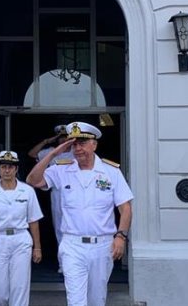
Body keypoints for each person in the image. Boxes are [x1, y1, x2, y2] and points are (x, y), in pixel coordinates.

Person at [26, 122, 133, 306]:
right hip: (72, 245)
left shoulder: (110, 171)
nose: (77, 148)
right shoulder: (62, 168)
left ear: (94, 144)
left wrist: (121, 237)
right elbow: (32, 180)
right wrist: (54, 153)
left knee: (96, 300)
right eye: (74, 144)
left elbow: (125, 208)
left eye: (82, 143)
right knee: (76, 301)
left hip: (102, 245)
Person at [0, 151, 43, 306]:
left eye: (10, 167)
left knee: (20, 287)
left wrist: (37, 247)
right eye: (3, 166)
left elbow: (33, 221)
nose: (7, 170)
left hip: (21, 239)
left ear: (16, 169)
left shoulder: (27, 191)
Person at [27, 124, 73, 271]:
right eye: (60, 138)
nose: (63, 140)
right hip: (58, 193)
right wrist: (47, 141)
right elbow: (32, 154)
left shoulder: (76, 151)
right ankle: (63, 264)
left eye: (66, 137)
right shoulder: (51, 152)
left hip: (76, 193)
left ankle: (74, 263)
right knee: (60, 228)